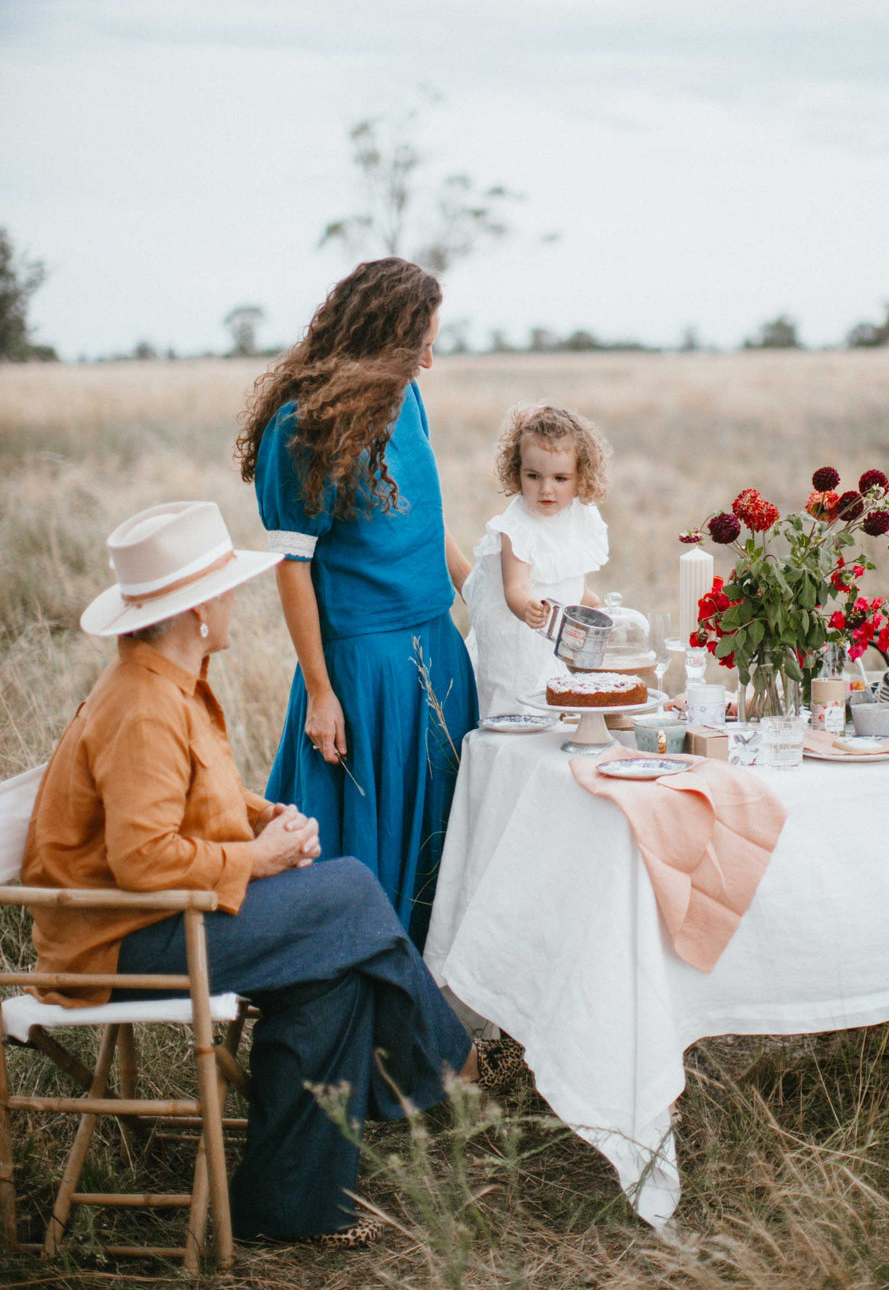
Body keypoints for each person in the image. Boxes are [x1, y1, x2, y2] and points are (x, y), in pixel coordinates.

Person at [21, 500, 506, 1247]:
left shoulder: (169, 682)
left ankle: (287, 1209)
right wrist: (260, 857)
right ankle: (450, 1064)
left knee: (335, 975)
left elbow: (191, 795)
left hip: (162, 919)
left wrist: (262, 815)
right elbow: (143, 860)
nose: (234, 601)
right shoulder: (144, 705)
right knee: (351, 893)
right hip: (120, 943)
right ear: (195, 611)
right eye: (224, 589)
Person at [236, 258, 478, 949]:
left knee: (443, 843)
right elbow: (292, 568)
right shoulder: (300, 426)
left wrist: (480, 591)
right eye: (419, 345)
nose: (428, 361)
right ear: (382, 338)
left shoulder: (409, 399)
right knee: (363, 850)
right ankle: (353, 990)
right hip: (362, 671)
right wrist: (321, 691)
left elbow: (427, 517)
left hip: (438, 648)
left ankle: (430, 991)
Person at [464, 402, 611, 719]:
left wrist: (588, 599)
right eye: (533, 476)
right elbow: (515, 588)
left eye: (560, 478)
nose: (546, 489)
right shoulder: (517, 527)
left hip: (550, 636)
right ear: (517, 472)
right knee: (516, 699)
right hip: (514, 638)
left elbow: (568, 571)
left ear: (581, 476)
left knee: (552, 697)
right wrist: (526, 606)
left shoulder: (578, 516)